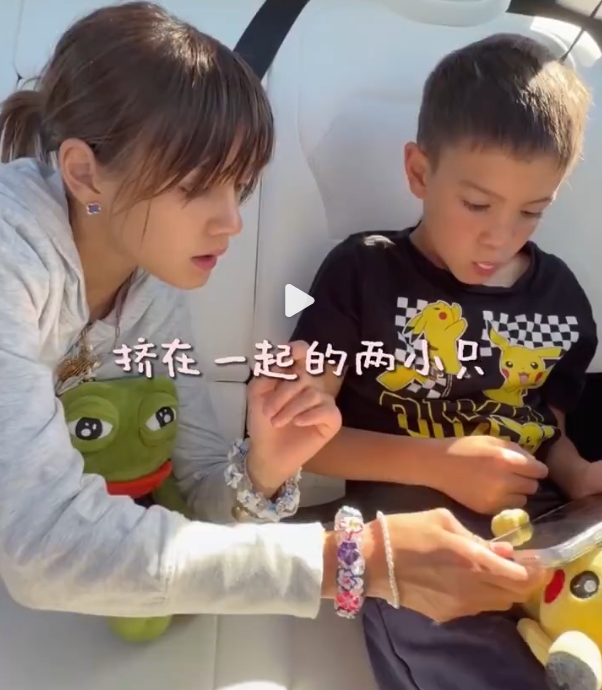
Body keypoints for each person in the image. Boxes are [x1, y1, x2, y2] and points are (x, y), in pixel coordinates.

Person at [0, 2, 543, 631]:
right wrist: (355, 559)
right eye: (195, 186)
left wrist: (264, 466)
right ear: (84, 173)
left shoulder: (147, 283)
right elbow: (40, 547)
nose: (231, 221)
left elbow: (199, 497)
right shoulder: (14, 257)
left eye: (240, 186)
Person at [291, 34, 599, 690]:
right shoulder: (363, 273)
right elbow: (302, 439)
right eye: (477, 205)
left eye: (532, 212)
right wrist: (440, 464)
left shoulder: (560, 297)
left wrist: (578, 475)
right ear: (420, 173)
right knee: (457, 640)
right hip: (414, 543)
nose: (501, 236)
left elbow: (548, 425)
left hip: (546, 528)